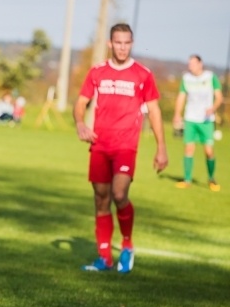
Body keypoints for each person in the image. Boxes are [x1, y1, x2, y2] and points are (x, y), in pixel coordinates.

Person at [73, 23, 167, 274]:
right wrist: (80, 123)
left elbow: (155, 111)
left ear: (131, 44)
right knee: (100, 199)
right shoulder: (97, 72)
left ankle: (127, 245)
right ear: (110, 44)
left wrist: (161, 148)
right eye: (118, 42)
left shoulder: (143, 75)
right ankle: (104, 257)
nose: (122, 47)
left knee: (119, 194)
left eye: (127, 43)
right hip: (99, 144)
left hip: (126, 145)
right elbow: (81, 101)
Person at [173, 54, 223, 191]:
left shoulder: (210, 77)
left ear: (200, 64)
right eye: (189, 64)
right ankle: (187, 179)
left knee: (208, 151)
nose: (191, 66)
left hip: (206, 120)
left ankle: (211, 179)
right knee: (188, 148)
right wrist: (177, 113)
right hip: (190, 118)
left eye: (193, 63)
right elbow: (181, 97)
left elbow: (219, 97)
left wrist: (213, 108)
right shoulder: (186, 78)